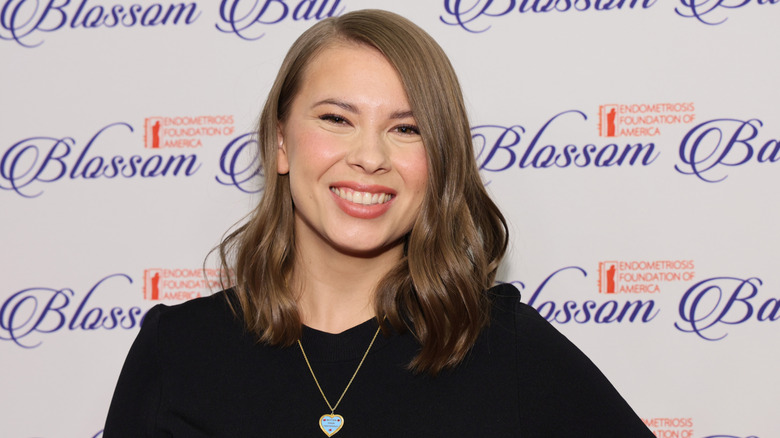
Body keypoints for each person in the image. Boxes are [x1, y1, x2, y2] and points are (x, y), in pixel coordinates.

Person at [104, 9, 654, 437]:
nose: (370, 156)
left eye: (407, 129)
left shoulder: (508, 352)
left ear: (439, 161)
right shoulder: (176, 351)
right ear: (279, 143)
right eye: (336, 119)